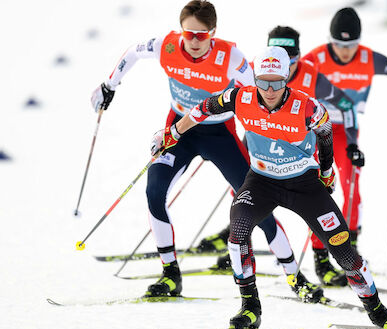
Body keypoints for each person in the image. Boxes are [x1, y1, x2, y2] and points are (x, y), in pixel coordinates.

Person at [152, 46, 387, 329]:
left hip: (303, 184)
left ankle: (378, 311)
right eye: (264, 82)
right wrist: (174, 133)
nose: (270, 90)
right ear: (255, 79)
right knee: (238, 233)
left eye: (277, 82)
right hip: (261, 182)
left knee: (343, 250)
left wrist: (327, 171)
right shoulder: (239, 97)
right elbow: (203, 108)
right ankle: (249, 308)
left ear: (286, 80)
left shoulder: (306, 106)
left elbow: (326, 133)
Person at [90, 0, 321, 301]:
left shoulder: (231, 57)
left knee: (258, 206)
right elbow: (134, 52)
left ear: (213, 32)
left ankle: (295, 276)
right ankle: (170, 274)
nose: (195, 41)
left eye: (203, 35)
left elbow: (255, 98)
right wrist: (109, 85)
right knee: (154, 191)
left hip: (219, 134)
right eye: (189, 34)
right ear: (181, 30)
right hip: (179, 130)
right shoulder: (167, 46)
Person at [198, 25, 359, 287]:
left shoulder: (310, 77)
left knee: (318, 205)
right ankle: (239, 245)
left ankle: (322, 261)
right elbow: (230, 95)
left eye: (292, 56)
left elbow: (345, 105)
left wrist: (351, 142)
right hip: (261, 142)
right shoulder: (256, 69)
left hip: (298, 151)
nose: (287, 63)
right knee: (241, 192)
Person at [302, 7, 387, 260]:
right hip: (316, 129)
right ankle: (319, 251)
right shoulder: (316, 58)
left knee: (350, 187)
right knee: (317, 188)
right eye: (338, 44)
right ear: (330, 40)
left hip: (348, 133)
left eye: (352, 45)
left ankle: (350, 244)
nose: (345, 51)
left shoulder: (370, 59)